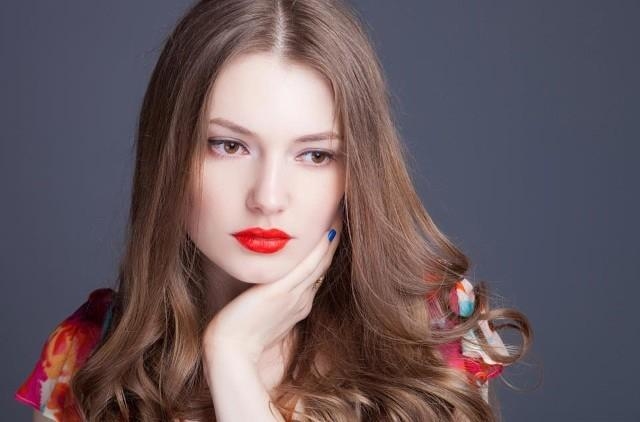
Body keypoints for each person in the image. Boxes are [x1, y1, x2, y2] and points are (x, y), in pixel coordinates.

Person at [14, 0, 532, 421]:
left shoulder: (433, 334)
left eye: (315, 155)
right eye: (228, 146)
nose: (268, 196)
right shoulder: (86, 358)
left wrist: (232, 359)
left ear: (356, 171)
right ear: (168, 155)